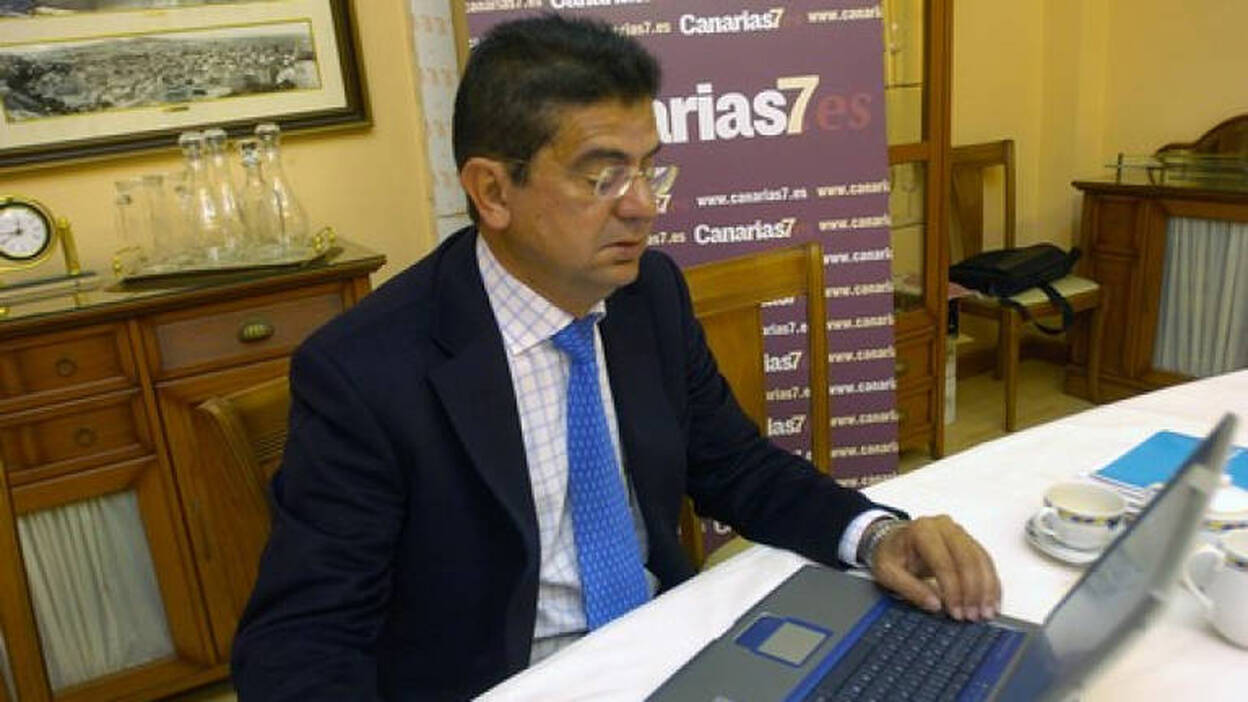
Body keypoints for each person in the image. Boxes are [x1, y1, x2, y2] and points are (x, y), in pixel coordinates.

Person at [231, 14, 1000, 700]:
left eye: (647, 168)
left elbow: (735, 466)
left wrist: (875, 535)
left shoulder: (647, 295)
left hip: (667, 649)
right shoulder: (366, 372)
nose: (643, 205)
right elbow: (303, 641)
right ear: (492, 191)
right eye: (603, 176)